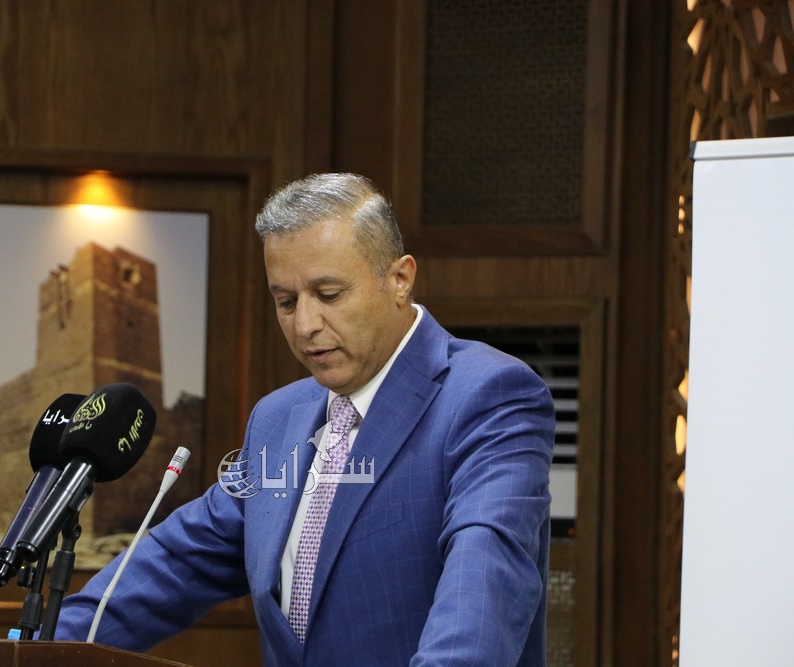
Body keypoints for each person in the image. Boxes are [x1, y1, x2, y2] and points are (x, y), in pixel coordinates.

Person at [54, 173, 555, 665]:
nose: (305, 325)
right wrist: (33, 648)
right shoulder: (278, 418)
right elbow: (177, 562)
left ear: (399, 279)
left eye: (329, 294)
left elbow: (482, 589)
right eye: (287, 302)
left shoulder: (488, 396)